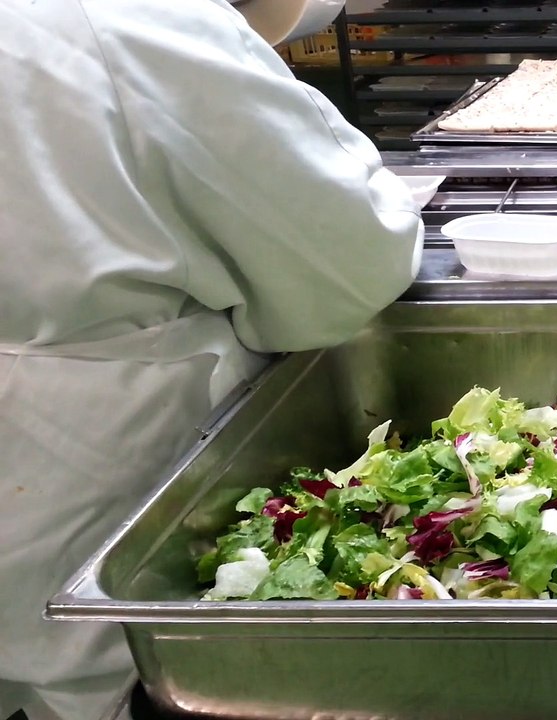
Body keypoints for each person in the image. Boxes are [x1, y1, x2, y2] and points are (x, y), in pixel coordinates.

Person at [0, 1, 424, 718]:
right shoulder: (135, 20)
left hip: (40, 466)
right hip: (91, 466)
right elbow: (352, 262)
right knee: (129, 685)